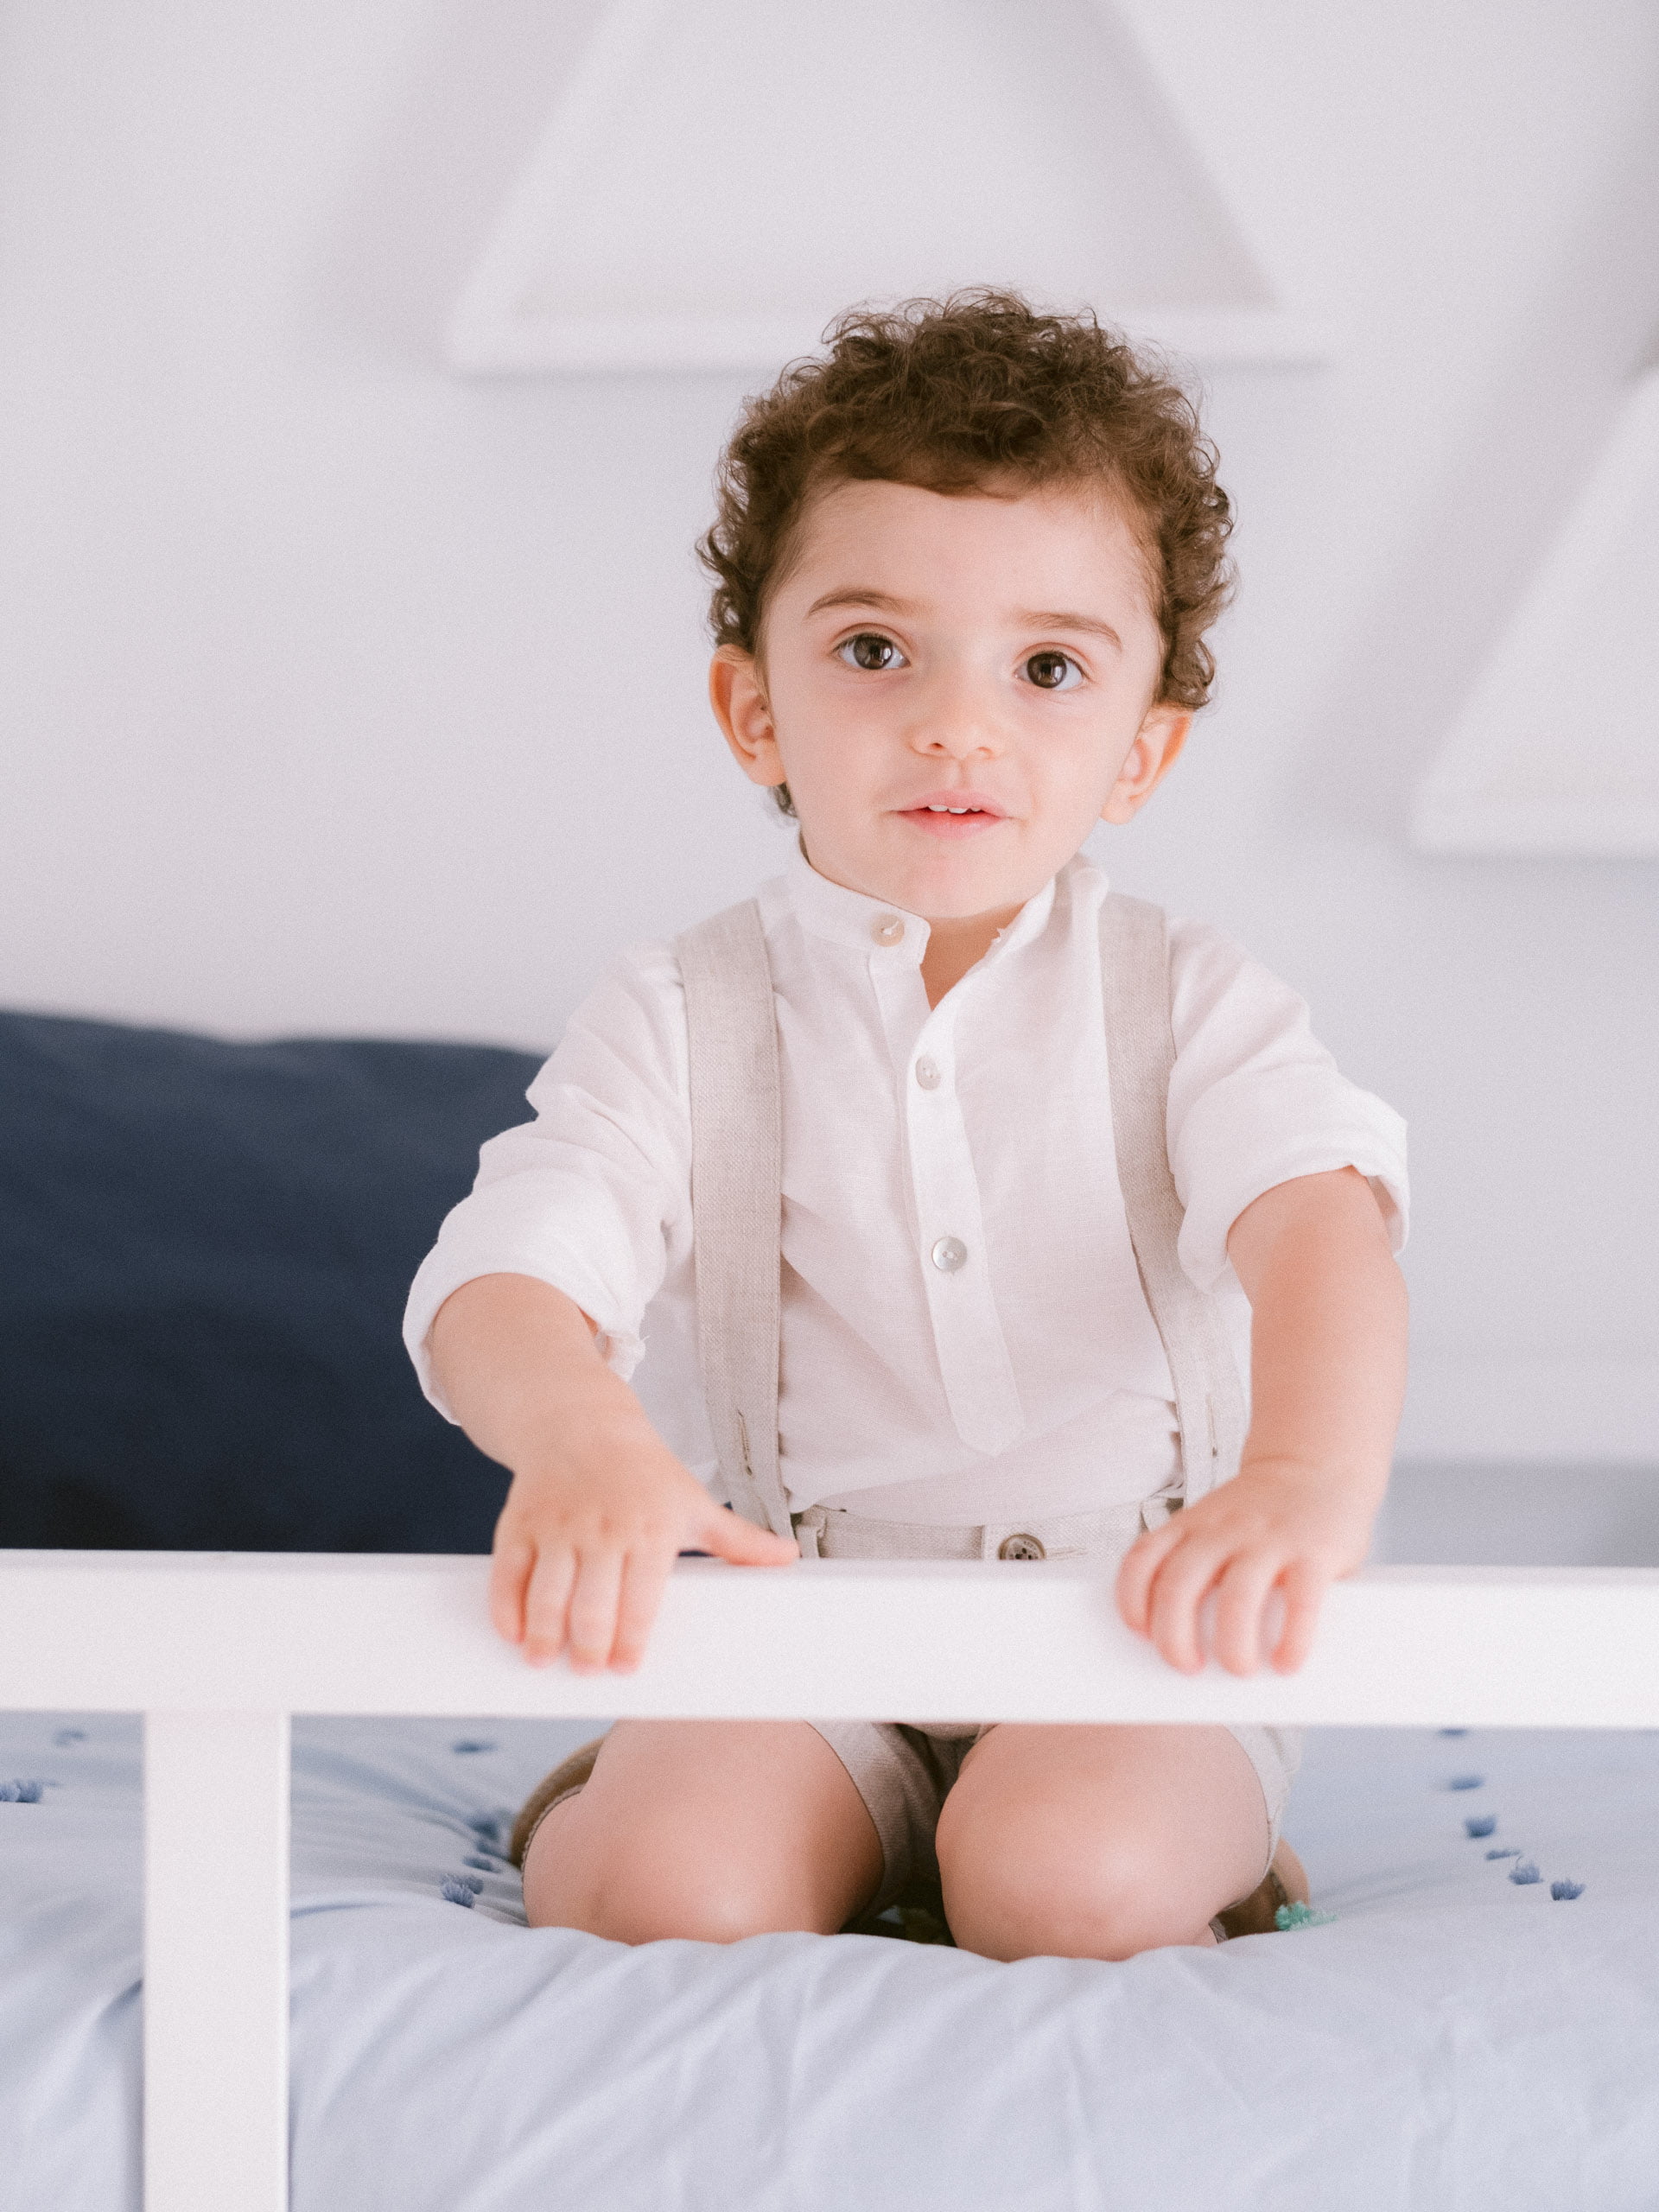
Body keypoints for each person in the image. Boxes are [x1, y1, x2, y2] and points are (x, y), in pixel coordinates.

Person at [403, 292, 1409, 1963]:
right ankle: (725, 1806)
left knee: (1064, 1881)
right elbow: (504, 1276)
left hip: (1128, 1624)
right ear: (755, 712)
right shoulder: (681, 1011)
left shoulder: (1193, 1002)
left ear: (1142, 752)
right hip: (803, 1624)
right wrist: (581, 1437)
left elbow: (1322, 1226)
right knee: (673, 1896)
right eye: (876, 651)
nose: (960, 722)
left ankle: (1199, 1839)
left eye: (1048, 666)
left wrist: (1305, 1478)